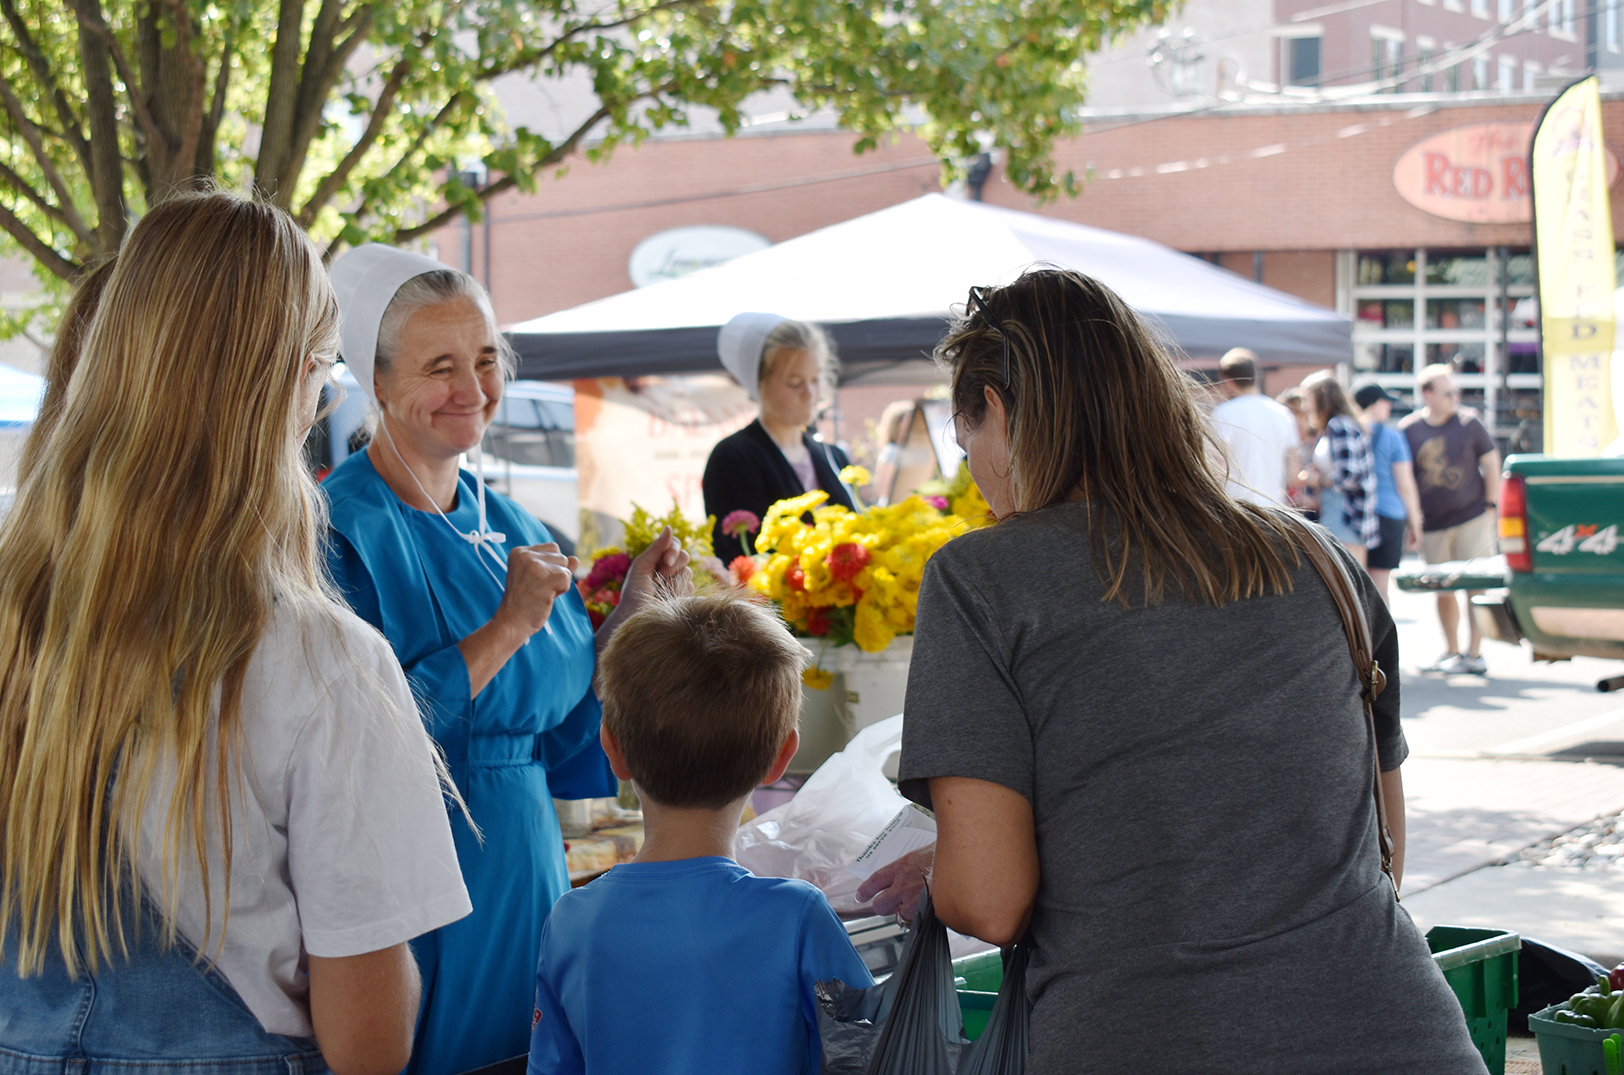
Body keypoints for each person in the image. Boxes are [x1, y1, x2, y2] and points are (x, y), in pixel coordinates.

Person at [861, 268, 1486, 1074]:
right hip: (1404, 1035)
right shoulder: (1320, 557)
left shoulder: (983, 579)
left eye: (967, 434)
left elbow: (988, 900)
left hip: (1150, 1037)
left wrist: (952, 866)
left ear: (1003, 413)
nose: (973, 472)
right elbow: (1383, 847)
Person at [0, 192, 471, 1073]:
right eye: (325, 370)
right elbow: (369, 1041)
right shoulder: (323, 660)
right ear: (290, 383)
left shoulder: (12, 610)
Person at [322, 245, 691, 1075]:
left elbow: (559, 733)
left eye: (486, 359)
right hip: (421, 876)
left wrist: (630, 618)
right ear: (375, 383)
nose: (473, 388)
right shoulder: (340, 528)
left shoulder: (519, 524)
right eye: (440, 366)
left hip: (531, 868)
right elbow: (357, 740)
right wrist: (507, 627)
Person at [528, 593, 874, 1075]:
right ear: (781, 756)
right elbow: (866, 1056)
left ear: (611, 748)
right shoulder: (796, 917)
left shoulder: (572, 920)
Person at [704, 313, 855, 563]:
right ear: (759, 384)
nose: (810, 393)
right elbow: (741, 560)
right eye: (795, 383)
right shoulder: (733, 459)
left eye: (815, 380)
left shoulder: (833, 455)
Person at [1400, 364, 1501, 676]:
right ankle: (1451, 650)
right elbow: (1404, 477)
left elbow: (1492, 462)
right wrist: (1411, 521)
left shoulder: (1470, 424)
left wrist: (1491, 505)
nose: (1455, 397)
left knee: (1475, 587)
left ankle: (1475, 653)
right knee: (1442, 589)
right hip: (1432, 523)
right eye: (1448, 392)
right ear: (1428, 394)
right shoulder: (1410, 429)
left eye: (1456, 392)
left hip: (1471, 517)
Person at [1300, 370, 1380, 567]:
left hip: (1346, 512)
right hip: (1339, 509)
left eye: (1307, 398)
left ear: (1321, 398)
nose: (1304, 406)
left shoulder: (1339, 425)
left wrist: (1314, 480)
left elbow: (1349, 476)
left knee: (1346, 579)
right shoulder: (1335, 426)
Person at [1354, 383, 1425, 603]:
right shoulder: (1392, 437)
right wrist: (1414, 522)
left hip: (1357, 514)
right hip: (1390, 516)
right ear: (1373, 404)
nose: (1388, 407)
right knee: (1380, 589)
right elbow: (1405, 484)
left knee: (1356, 586)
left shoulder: (1349, 432)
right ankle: (1382, 637)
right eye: (1385, 402)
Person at [1209, 347, 1299, 506]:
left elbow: (1216, 469)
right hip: (1275, 511)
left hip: (1237, 511)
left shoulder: (1224, 414)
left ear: (1229, 382)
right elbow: (1294, 474)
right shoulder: (1283, 414)